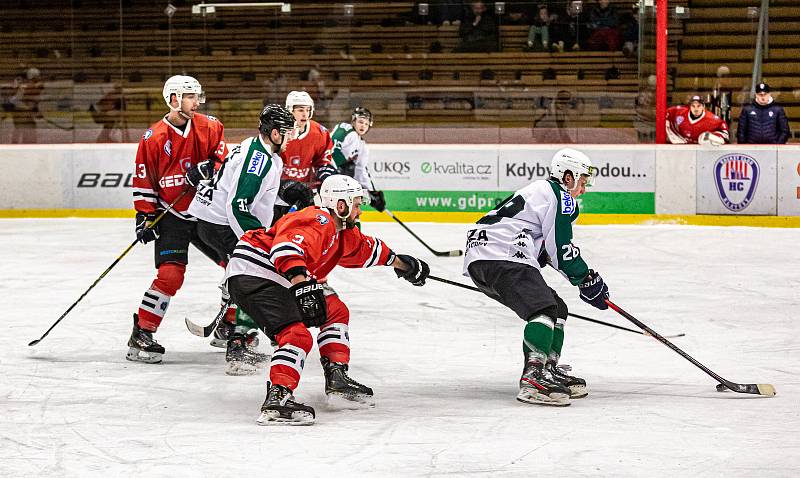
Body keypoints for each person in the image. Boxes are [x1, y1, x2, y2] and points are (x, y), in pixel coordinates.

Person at [224, 174, 431, 425]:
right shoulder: (318, 218)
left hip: (272, 276)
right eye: (356, 204)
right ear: (340, 205)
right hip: (258, 274)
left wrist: (403, 264)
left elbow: (364, 249)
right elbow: (287, 249)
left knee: (335, 311)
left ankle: (337, 378)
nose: (360, 211)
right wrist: (302, 286)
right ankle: (278, 399)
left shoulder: (342, 231)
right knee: (296, 336)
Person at [462, 148, 609, 407]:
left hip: (488, 255)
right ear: (567, 176)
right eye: (582, 181)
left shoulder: (541, 192)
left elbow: (546, 252)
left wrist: (581, 278)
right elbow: (560, 250)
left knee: (557, 308)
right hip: (503, 253)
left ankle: (547, 368)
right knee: (542, 309)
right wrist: (585, 278)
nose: (584, 189)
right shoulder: (559, 196)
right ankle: (534, 378)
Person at [187, 104, 314, 375]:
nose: (292, 138)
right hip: (221, 224)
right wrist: (255, 242)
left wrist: (284, 194)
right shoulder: (259, 159)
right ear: (276, 134)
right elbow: (238, 204)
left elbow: (256, 193)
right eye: (288, 133)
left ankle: (227, 329)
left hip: (213, 221)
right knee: (255, 274)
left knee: (247, 275)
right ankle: (238, 345)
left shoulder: (261, 150)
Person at [127, 75, 229, 364]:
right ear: (173, 99)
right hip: (170, 213)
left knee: (236, 265)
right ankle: (142, 332)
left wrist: (209, 168)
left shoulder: (210, 126)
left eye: (197, 96)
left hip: (206, 210)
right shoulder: (153, 137)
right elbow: (144, 178)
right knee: (170, 275)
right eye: (190, 96)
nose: (196, 102)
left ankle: (228, 327)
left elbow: (224, 161)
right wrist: (145, 215)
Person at [277, 90, 337, 220]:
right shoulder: (278, 131)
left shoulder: (319, 133)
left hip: (304, 194)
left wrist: (326, 177)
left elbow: (323, 162)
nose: (305, 114)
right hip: (276, 194)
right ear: (289, 110)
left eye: (308, 110)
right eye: (300, 110)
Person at [330, 107, 386, 213]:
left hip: (340, 181)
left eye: (366, 124)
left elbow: (361, 171)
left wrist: (372, 192)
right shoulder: (344, 129)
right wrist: (341, 166)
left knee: (352, 213)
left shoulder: (362, 146)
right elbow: (332, 149)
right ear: (353, 121)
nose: (363, 126)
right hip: (325, 175)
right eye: (360, 122)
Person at [9, 67, 43, 144]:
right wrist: (29, 108)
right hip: (20, 112)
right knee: (24, 129)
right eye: (37, 76)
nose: (39, 77)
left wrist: (35, 111)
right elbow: (16, 101)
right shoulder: (28, 87)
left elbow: (32, 102)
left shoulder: (30, 86)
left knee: (24, 129)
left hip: (21, 112)